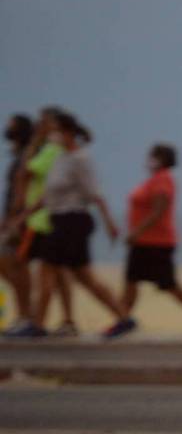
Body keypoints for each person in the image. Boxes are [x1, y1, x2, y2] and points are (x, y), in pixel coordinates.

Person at [19, 112, 133, 337]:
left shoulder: (81, 159)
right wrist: (24, 215)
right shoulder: (61, 158)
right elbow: (48, 194)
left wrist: (110, 223)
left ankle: (37, 324)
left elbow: (95, 194)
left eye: (55, 131)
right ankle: (124, 317)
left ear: (67, 132)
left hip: (73, 221)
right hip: (58, 219)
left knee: (53, 270)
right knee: (81, 276)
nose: (52, 135)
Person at [119, 144, 182, 337]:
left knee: (167, 284)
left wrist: (137, 231)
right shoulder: (153, 180)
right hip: (144, 242)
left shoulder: (163, 180)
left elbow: (159, 210)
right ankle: (122, 319)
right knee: (132, 280)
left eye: (153, 156)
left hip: (156, 242)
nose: (149, 160)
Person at [8, 108, 75, 337]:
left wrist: (19, 215)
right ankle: (58, 320)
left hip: (41, 220)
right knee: (57, 271)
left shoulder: (52, 150)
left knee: (27, 267)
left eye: (44, 122)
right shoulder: (57, 151)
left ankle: (31, 320)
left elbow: (25, 172)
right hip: (47, 218)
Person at [1, 114, 34, 336]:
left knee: (14, 265)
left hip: (19, 219)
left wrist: (14, 218)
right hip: (13, 217)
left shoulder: (25, 156)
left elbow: (21, 191)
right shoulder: (19, 155)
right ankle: (24, 315)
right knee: (10, 266)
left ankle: (26, 316)